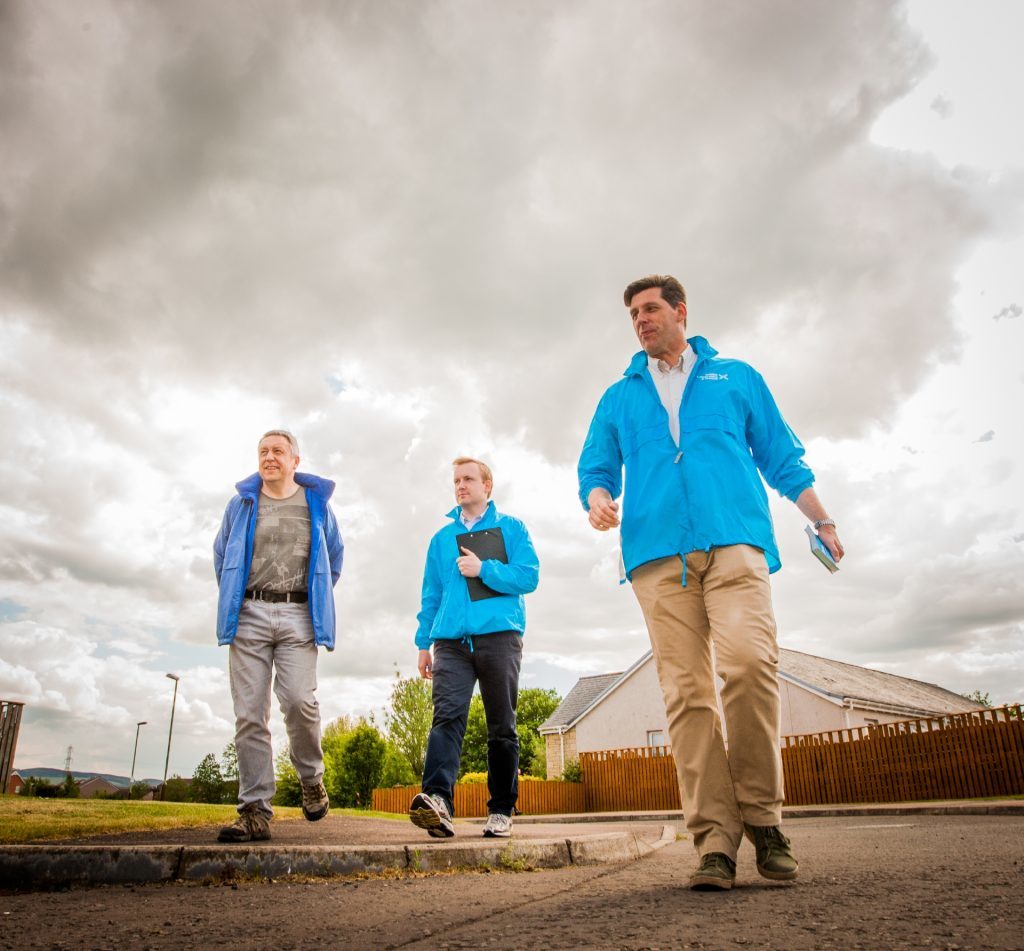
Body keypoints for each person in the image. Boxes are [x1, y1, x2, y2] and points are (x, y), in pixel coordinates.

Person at [578, 275, 844, 890]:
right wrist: (596, 498)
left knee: (749, 667)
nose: (641, 321)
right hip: (656, 558)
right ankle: (715, 842)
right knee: (687, 695)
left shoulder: (737, 378)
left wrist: (821, 518)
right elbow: (596, 465)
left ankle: (764, 820)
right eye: (633, 314)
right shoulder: (619, 396)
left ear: (680, 312)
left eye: (650, 309)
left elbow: (781, 455)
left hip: (735, 544)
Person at [213, 429, 344, 842]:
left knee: (299, 702)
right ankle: (254, 810)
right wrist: (240, 597)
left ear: (295, 461)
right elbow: (222, 556)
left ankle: (311, 779)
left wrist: (312, 596)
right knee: (250, 714)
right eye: (263, 451)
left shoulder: (316, 505)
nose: (269, 458)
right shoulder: (241, 505)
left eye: (278, 452)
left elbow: (334, 557)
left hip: (298, 616)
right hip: (249, 614)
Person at [409, 457, 540, 839]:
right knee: (446, 717)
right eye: (456, 480)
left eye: (468, 479)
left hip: (500, 637)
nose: (460, 485)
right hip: (450, 641)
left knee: (502, 725)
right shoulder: (440, 540)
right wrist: (423, 644)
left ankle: (501, 809)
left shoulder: (511, 528)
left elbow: (529, 576)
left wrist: (485, 570)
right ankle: (438, 801)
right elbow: (430, 594)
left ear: (488, 486)